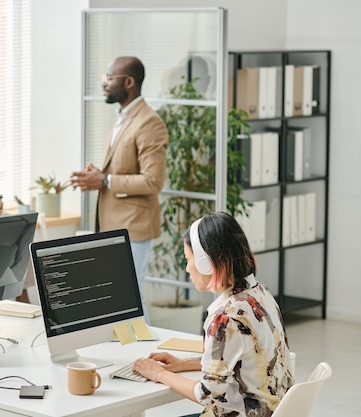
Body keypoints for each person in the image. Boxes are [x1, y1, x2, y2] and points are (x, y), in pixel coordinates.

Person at [132, 212, 294, 417]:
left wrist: (158, 373)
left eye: (188, 259)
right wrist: (183, 364)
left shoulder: (224, 318)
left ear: (205, 263)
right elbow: (236, 361)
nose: (187, 268)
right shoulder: (260, 295)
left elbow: (208, 394)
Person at [70, 56, 169, 323]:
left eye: (108, 78)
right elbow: (120, 169)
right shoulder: (121, 118)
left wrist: (105, 180)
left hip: (134, 225)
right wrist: (98, 176)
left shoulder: (149, 122)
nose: (104, 84)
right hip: (112, 222)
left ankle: (148, 355)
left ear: (128, 82)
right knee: (118, 298)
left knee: (130, 298)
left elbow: (153, 181)